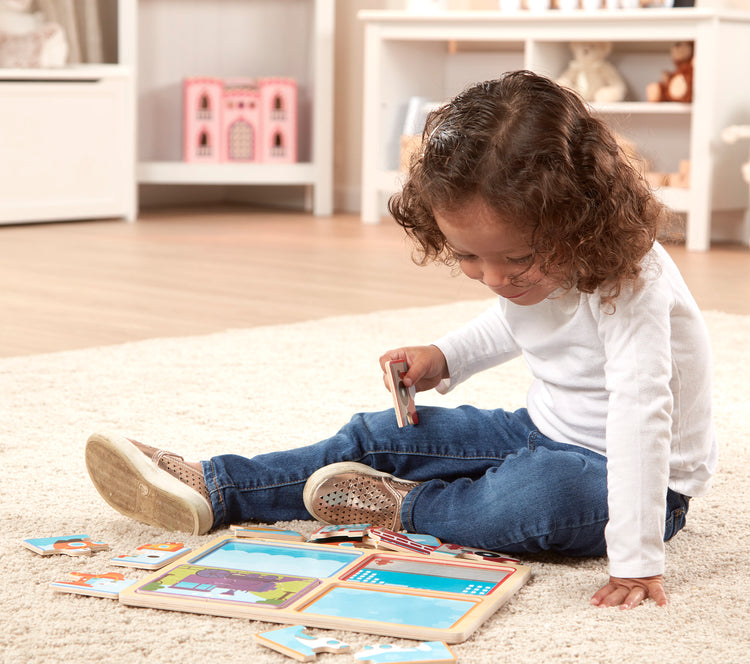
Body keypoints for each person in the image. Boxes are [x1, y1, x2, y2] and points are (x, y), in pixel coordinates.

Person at [85, 71, 717, 610]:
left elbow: (641, 416)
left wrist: (636, 558)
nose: (496, 279)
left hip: (640, 481)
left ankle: (403, 510)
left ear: (578, 217)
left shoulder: (632, 280)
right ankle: (215, 487)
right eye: (470, 257)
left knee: (542, 494)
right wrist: (446, 356)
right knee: (379, 434)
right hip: (536, 429)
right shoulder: (532, 268)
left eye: (515, 258)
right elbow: (516, 318)